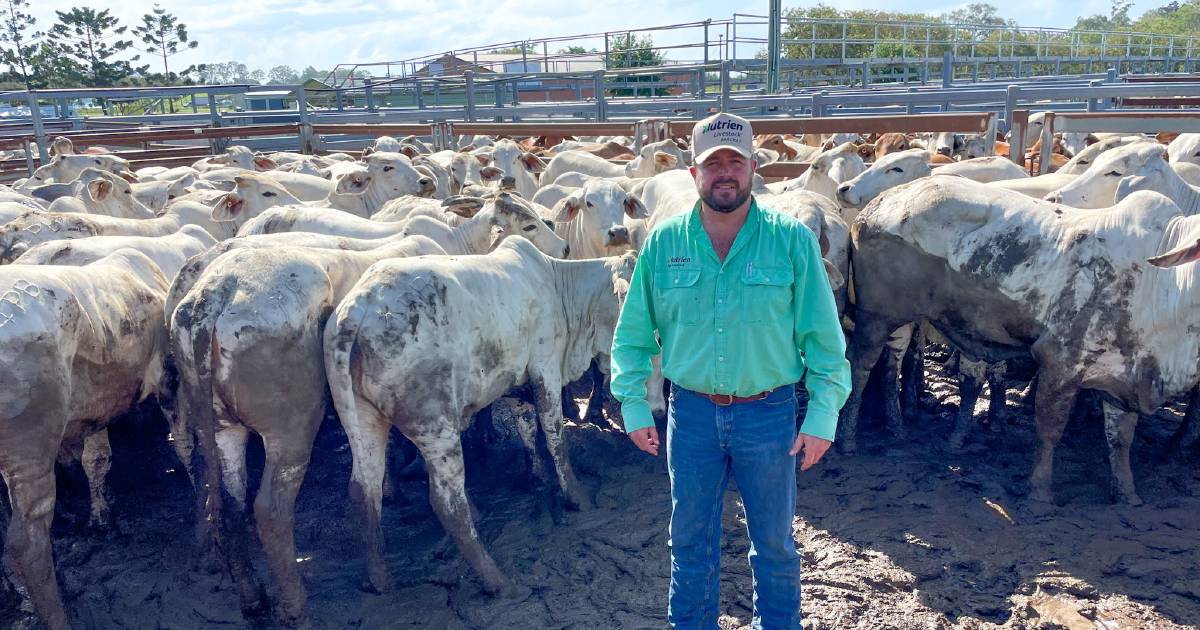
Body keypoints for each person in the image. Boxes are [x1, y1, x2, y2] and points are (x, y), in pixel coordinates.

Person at [609, 112, 852, 630]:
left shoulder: (791, 241)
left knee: (775, 546)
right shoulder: (664, 243)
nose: (724, 173)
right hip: (691, 415)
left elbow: (825, 343)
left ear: (753, 167)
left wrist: (822, 416)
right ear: (694, 172)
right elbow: (632, 337)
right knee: (690, 542)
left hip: (768, 415)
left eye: (734, 162)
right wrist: (633, 402)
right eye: (712, 163)